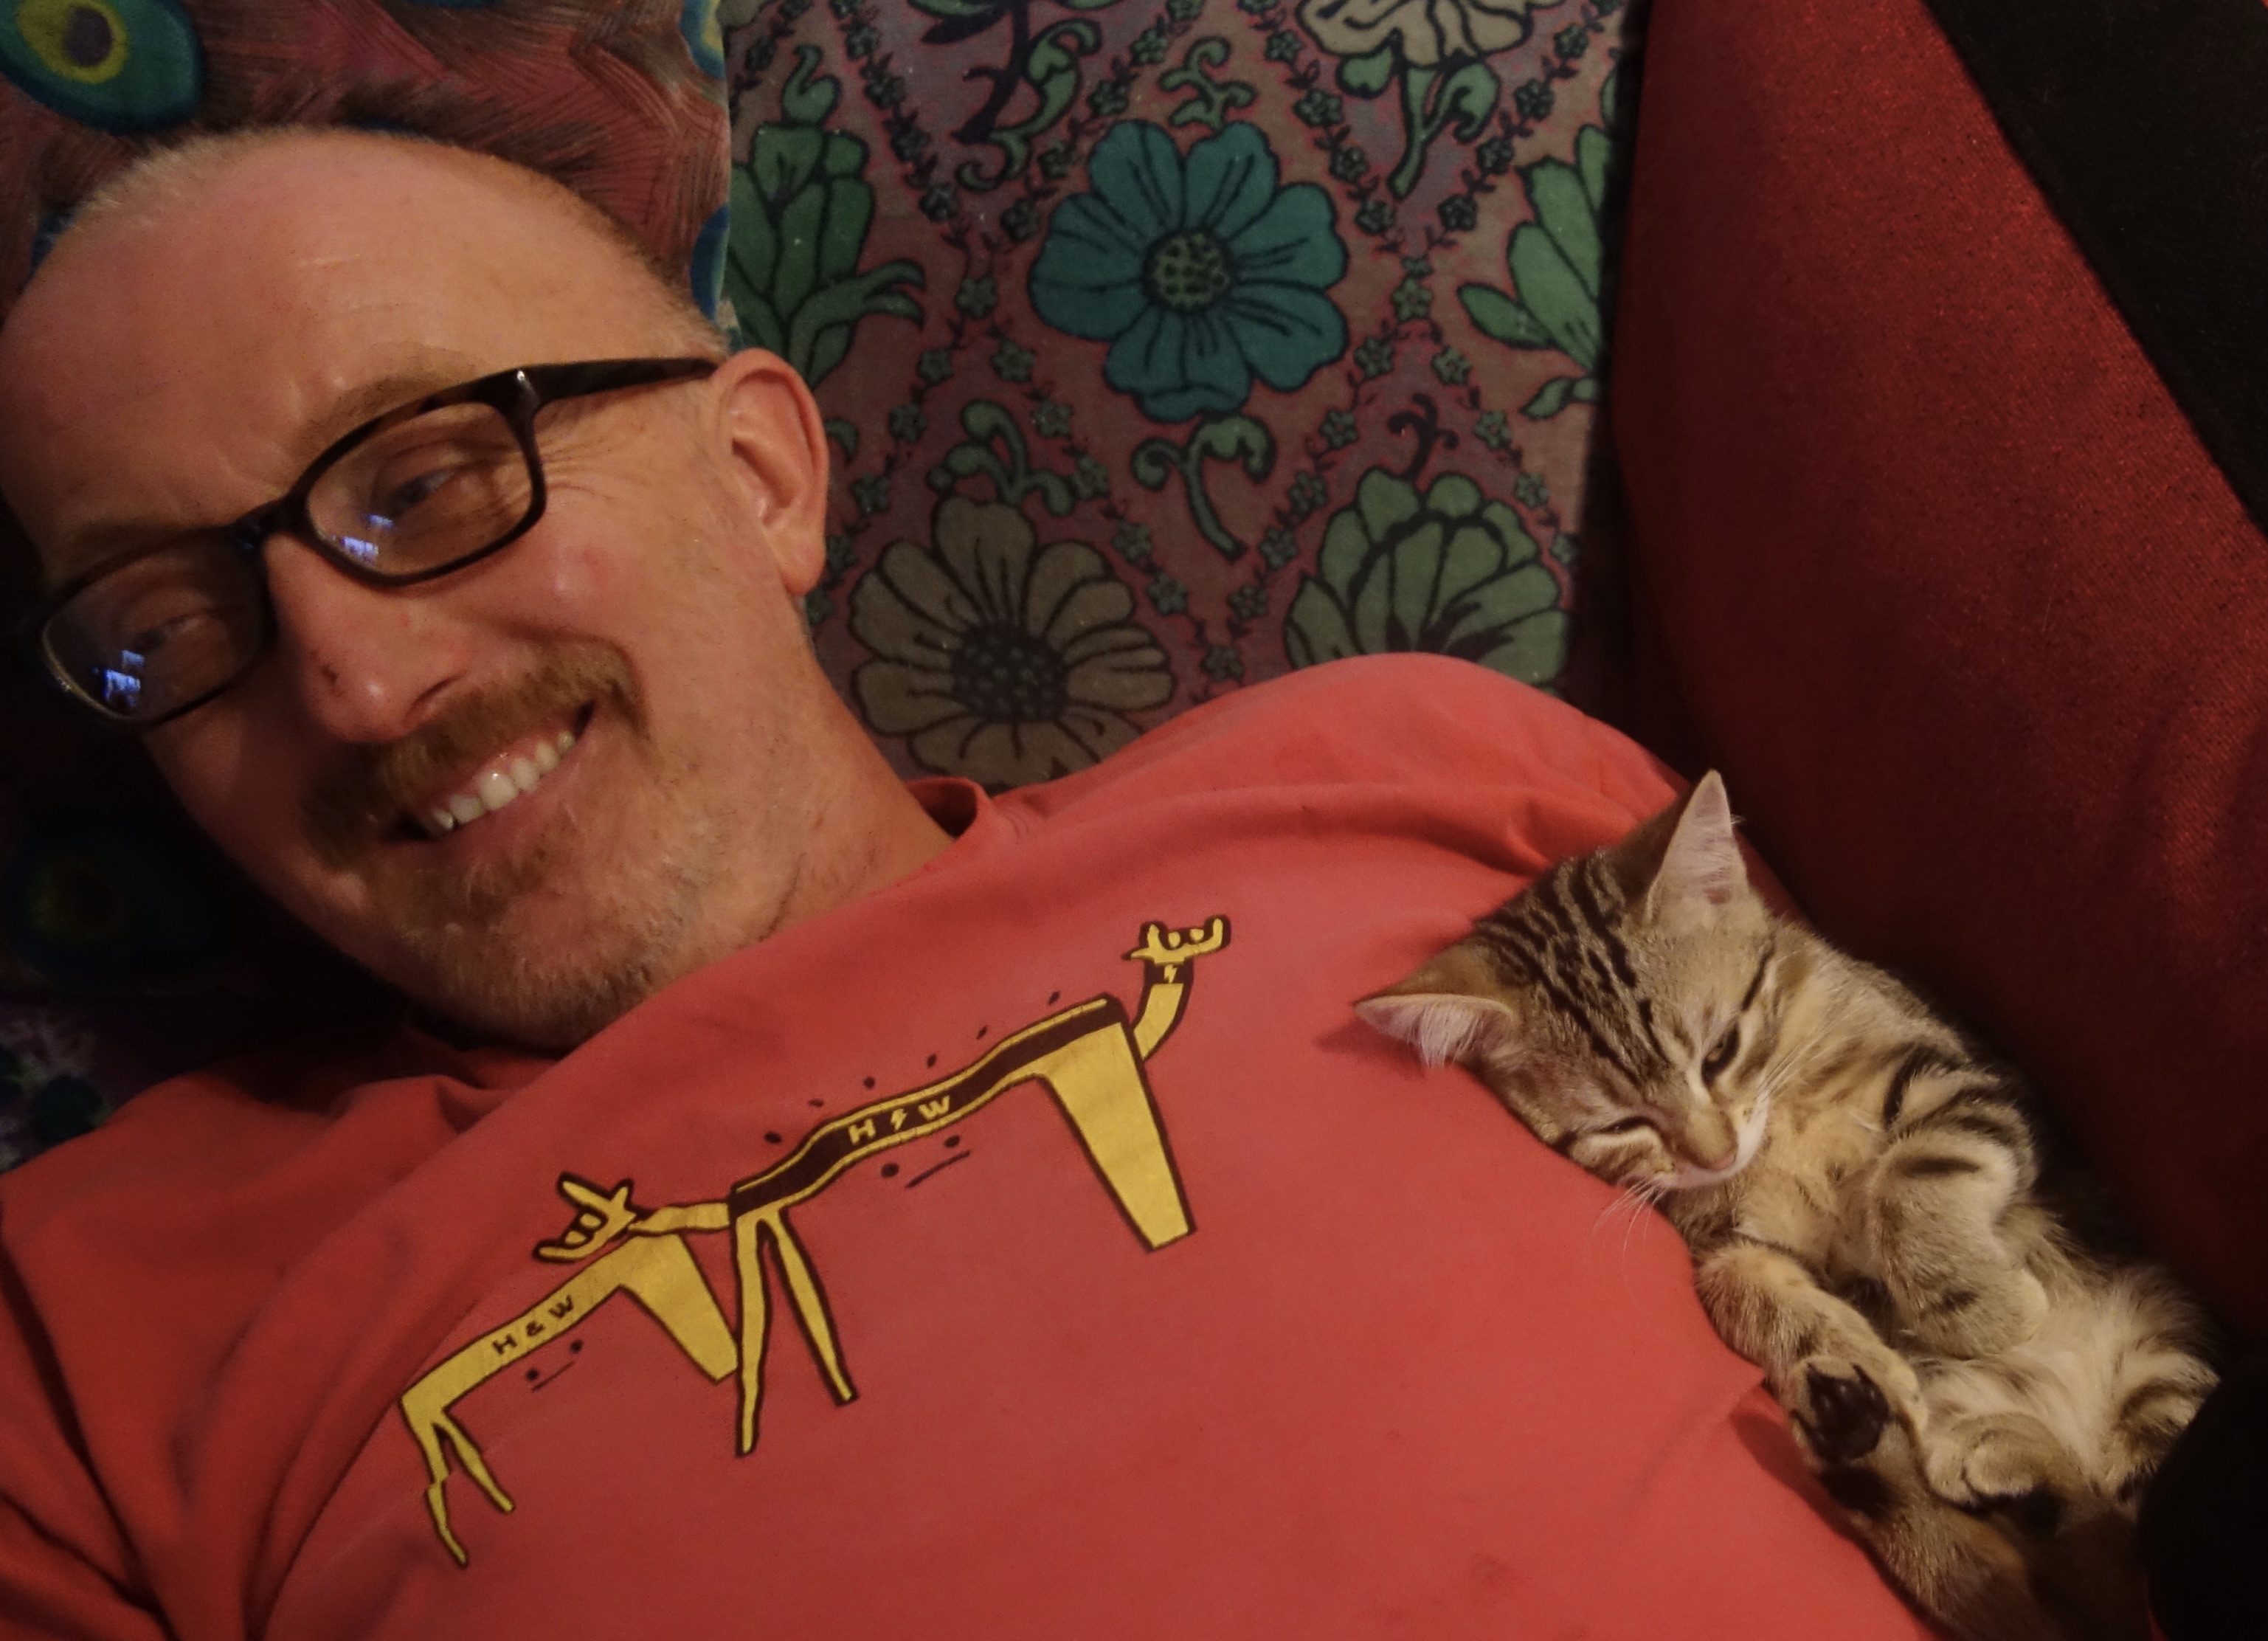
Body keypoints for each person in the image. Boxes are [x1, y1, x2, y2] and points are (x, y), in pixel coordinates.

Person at [0, 130, 1931, 1640]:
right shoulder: (83, 1331)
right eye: (164, 624)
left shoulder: (1404, 766)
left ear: (761, 476)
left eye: (426, 484)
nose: (350, 684)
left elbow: (1966, 1247)